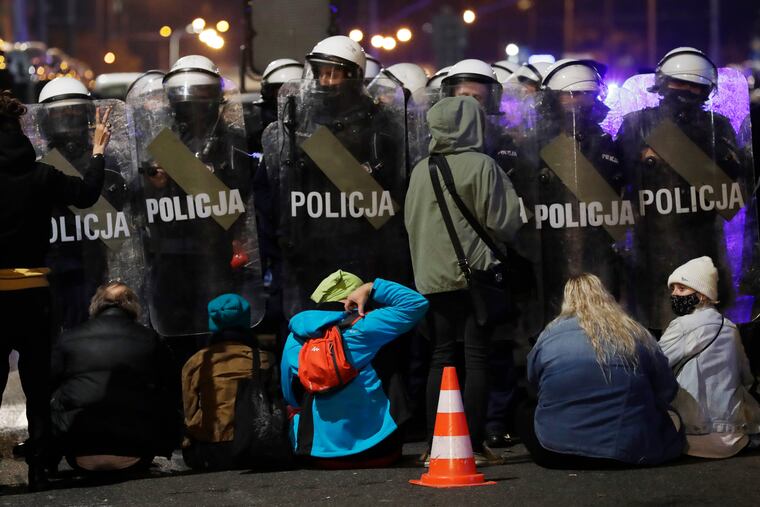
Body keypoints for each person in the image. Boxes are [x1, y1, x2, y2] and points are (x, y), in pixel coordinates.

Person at [0, 90, 110, 490]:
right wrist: (98, 151)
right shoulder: (41, 175)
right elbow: (86, 194)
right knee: (37, 384)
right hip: (33, 292)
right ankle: (40, 467)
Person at [405, 95, 522, 465]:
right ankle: (470, 445)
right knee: (476, 358)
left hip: (432, 278)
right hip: (475, 277)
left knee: (440, 356)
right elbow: (503, 223)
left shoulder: (422, 169)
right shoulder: (484, 166)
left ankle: (432, 444)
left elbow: (410, 224)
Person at [617, 47, 744, 332]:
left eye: (695, 85)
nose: (687, 90)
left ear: (707, 89)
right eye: (680, 82)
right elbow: (619, 180)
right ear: (662, 83)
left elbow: (736, 182)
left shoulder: (717, 126)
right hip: (653, 242)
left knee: (705, 325)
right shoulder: (638, 123)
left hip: (704, 241)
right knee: (656, 325)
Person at [520, 273, 684, 468]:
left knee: (523, 411)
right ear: (605, 296)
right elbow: (666, 389)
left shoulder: (549, 336)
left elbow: (534, 381)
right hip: (631, 452)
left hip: (557, 453)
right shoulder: (636, 333)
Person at [280, 270, 428, 468]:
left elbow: (290, 395)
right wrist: (371, 288)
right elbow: (416, 303)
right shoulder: (367, 326)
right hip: (380, 451)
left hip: (317, 455)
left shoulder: (295, 337)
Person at [49, 281, 179, 474]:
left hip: (79, 455)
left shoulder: (68, 339)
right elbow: (173, 387)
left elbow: (48, 385)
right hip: (136, 454)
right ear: (133, 305)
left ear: (96, 305)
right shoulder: (150, 339)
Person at [659, 256, 760, 458]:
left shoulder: (680, 327)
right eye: (673, 289)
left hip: (689, 438)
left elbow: (656, 366)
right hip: (733, 439)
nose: (675, 294)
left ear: (702, 295)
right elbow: (746, 378)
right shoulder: (730, 328)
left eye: (681, 289)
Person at [181, 293, 260, 470]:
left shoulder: (196, 362)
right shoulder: (263, 359)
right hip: (255, 448)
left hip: (211, 452)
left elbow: (191, 416)